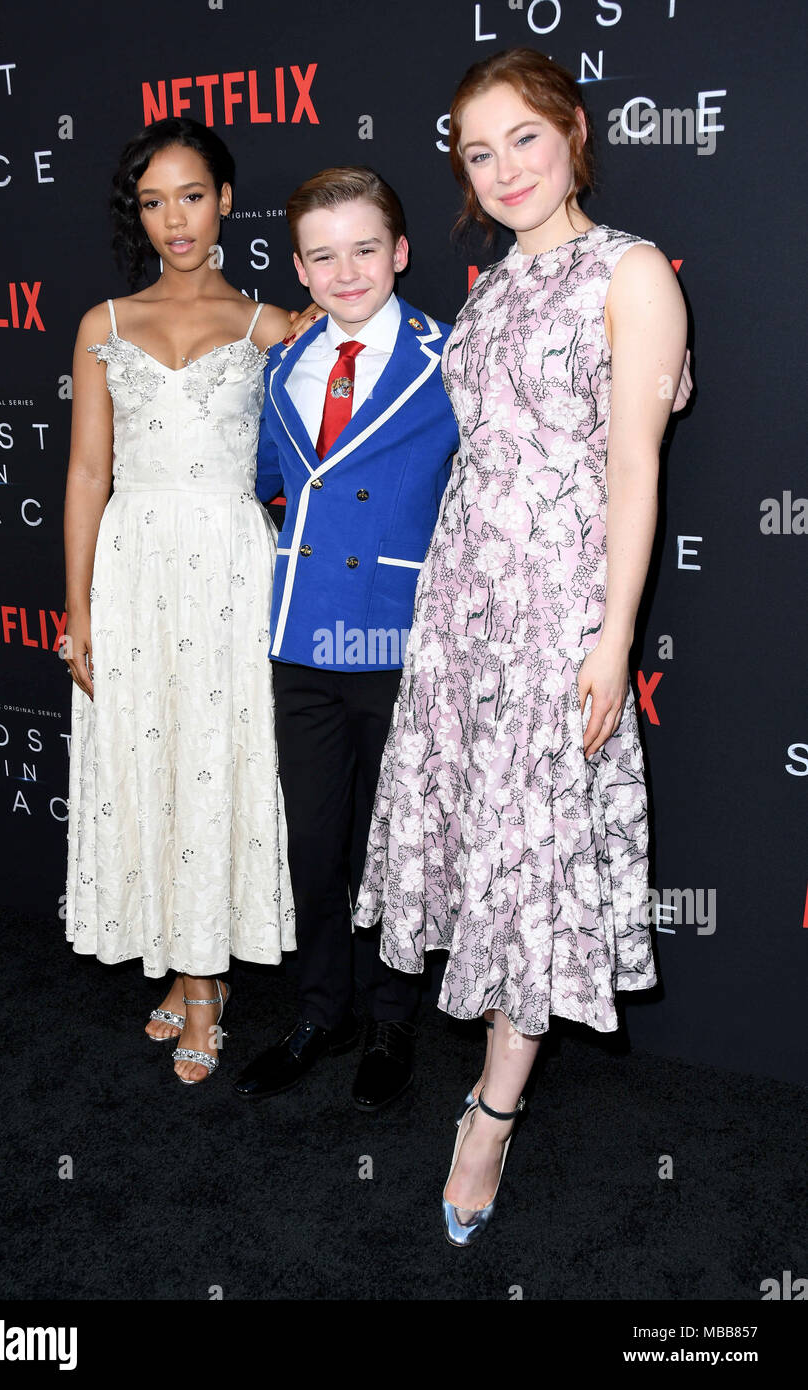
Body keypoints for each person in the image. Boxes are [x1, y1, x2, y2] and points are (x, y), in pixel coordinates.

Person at [353, 48, 688, 1241]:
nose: (501, 171)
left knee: (536, 855)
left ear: (574, 132)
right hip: (464, 604)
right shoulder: (490, 284)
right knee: (479, 842)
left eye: (522, 141)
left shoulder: (632, 272)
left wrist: (610, 639)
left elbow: (634, 471)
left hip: (558, 609)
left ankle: (489, 1117)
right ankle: (485, 1077)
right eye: (476, 153)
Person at [63, 117, 297, 1085]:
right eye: (154, 202)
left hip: (231, 567)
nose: (175, 220)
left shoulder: (272, 324)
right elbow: (85, 473)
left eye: (191, 195)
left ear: (227, 199)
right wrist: (76, 611)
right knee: (149, 759)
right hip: (133, 565)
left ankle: (204, 985)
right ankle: (189, 966)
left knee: (214, 761)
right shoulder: (103, 324)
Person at [231, 168, 461, 1109]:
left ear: (400, 253)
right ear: (298, 267)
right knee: (316, 842)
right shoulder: (283, 365)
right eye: (322, 255)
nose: (346, 269)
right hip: (302, 641)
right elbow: (268, 477)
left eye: (365, 248)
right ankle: (320, 1012)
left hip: (397, 640)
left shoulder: (449, 358)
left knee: (392, 846)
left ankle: (389, 1025)